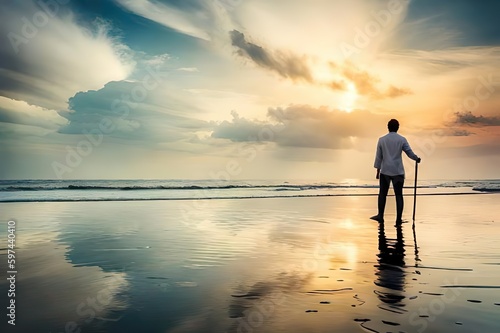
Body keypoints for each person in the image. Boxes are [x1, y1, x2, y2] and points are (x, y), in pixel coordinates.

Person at [370, 119, 421, 224]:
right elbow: (409, 152)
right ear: (398, 127)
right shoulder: (402, 139)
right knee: (399, 195)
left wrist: (377, 171)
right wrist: (416, 158)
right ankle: (398, 218)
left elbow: (379, 157)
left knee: (382, 194)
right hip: (398, 171)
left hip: (385, 171)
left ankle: (380, 215)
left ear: (388, 127)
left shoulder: (382, 140)